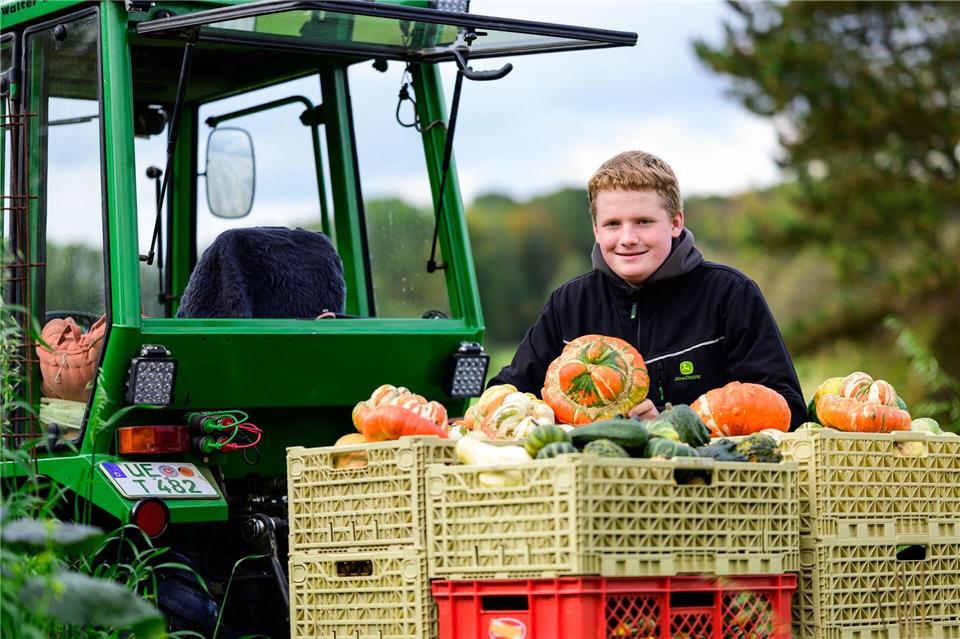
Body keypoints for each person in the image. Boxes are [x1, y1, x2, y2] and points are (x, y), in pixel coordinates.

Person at [489, 150, 806, 428]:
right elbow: (507, 395)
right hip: (594, 488)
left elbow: (788, 409)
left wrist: (673, 426)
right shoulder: (569, 303)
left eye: (642, 221)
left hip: (703, 486)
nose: (627, 237)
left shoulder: (729, 294)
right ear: (596, 230)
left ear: (675, 222)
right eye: (613, 224)